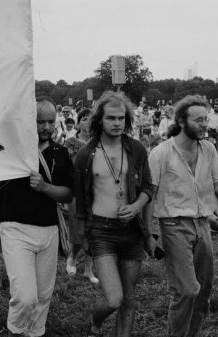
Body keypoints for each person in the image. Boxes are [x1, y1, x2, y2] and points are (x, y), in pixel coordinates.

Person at [147, 95, 218, 337]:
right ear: (182, 121)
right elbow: (149, 196)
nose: (205, 124)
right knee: (187, 290)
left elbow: (217, 186)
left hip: (203, 224)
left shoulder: (209, 149)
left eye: (206, 119)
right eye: (199, 120)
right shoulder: (161, 153)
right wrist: (149, 234)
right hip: (173, 225)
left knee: (203, 291)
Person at [72, 91, 156, 337]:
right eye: (111, 118)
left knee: (128, 299)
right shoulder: (86, 155)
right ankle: (95, 321)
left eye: (121, 118)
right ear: (100, 120)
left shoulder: (137, 149)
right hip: (101, 231)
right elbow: (79, 202)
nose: (117, 123)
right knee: (114, 299)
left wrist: (137, 205)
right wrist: (82, 237)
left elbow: (148, 188)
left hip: (132, 232)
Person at [0, 97, 74, 337]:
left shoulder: (60, 153)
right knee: (25, 296)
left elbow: (68, 194)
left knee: (42, 296)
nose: (46, 127)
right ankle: (15, 331)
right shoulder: (13, 149)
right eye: (40, 122)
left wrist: (44, 188)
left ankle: (35, 333)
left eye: (51, 121)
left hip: (48, 230)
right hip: (15, 228)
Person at [63, 108, 98, 284]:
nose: (87, 122)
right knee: (78, 230)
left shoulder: (99, 142)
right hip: (77, 191)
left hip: (96, 191)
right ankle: (72, 257)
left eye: (90, 118)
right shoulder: (70, 143)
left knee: (93, 230)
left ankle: (89, 270)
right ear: (78, 123)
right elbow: (64, 166)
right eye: (84, 119)